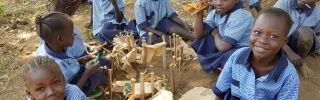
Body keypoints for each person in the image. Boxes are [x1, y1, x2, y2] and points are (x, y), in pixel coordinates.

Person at [213, 7, 299, 99]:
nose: (262, 40)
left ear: (284, 41)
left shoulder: (288, 75)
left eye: (273, 36)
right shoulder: (237, 57)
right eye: (257, 32)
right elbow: (221, 90)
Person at [35, 12, 107, 95]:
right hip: (66, 90)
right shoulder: (56, 66)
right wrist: (87, 73)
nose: (75, 34)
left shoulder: (50, 47)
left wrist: (79, 60)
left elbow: (65, 64)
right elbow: (66, 94)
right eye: (72, 33)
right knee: (96, 73)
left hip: (66, 78)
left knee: (100, 62)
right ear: (60, 40)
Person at [192, 0, 254, 73]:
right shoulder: (215, 13)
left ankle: (224, 67)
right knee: (204, 38)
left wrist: (215, 34)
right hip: (224, 43)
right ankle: (219, 64)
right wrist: (199, 11)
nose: (218, 3)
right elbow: (199, 35)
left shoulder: (240, 16)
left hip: (241, 49)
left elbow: (223, 48)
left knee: (233, 56)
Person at [42, 0, 110, 67]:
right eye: (75, 10)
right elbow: (65, 61)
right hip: (76, 63)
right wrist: (81, 59)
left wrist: (86, 46)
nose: (74, 34)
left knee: (106, 61)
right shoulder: (51, 27)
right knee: (103, 65)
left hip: (79, 58)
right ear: (67, 9)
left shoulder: (49, 22)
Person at [274, 0, 320, 78]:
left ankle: (301, 62)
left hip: (297, 45)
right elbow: (270, 30)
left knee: (306, 32)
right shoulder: (283, 3)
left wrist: (311, 46)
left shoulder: (318, 14)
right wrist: (289, 52)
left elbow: (314, 34)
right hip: (276, 41)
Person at [23, 56, 93, 100]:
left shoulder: (72, 92)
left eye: (55, 82)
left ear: (63, 80)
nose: (51, 92)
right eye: (41, 89)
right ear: (30, 94)